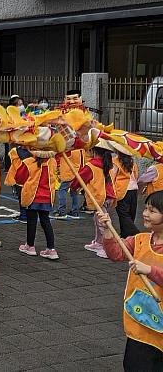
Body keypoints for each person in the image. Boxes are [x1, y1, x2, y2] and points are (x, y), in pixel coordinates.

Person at [98, 191, 163, 370]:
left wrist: (149, 270)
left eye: (153, 211)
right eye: (146, 208)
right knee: (134, 365)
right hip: (141, 320)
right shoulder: (140, 240)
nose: (145, 213)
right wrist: (108, 231)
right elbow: (116, 253)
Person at [13, 148, 59, 260]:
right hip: (47, 197)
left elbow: (19, 178)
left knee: (31, 222)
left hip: (32, 196)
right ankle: (51, 249)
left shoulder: (29, 162)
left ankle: (30, 246)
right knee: (46, 222)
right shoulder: (52, 161)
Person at [74, 141, 117, 259]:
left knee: (102, 222)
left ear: (93, 151)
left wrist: (73, 187)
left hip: (100, 196)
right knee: (97, 219)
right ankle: (98, 242)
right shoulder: (107, 163)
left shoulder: (92, 165)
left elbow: (80, 178)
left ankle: (107, 247)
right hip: (107, 195)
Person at [113, 143, 141, 238]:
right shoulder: (132, 162)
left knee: (123, 214)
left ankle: (134, 233)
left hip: (121, 190)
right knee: (131, 213)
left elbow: (113, 177)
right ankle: (125, 235)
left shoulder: (115, 161)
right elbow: (136, 175)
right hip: (133, 190)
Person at [52, 148, 86, 219]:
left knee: (62, 190)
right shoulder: (81, 149)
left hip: (67, 172)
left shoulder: (70, 149)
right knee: (74, 192)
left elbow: (58, 154)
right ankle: (75, 211)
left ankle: (62, 211)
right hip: (77, 172)